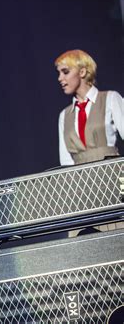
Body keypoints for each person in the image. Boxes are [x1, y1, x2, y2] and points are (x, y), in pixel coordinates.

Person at [56, 49, 124, 232]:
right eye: (59, 73)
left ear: (82, 71)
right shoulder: (65, 115)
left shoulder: (110, 99)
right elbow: (66, 163)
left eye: (65, 72)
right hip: (81, 190)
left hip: (111, 184)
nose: (60, 79)